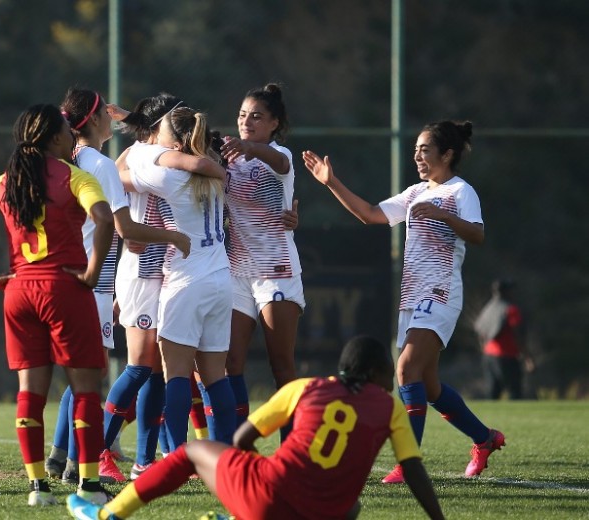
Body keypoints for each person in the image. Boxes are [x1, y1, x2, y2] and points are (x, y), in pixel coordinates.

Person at [302, 120, 506, 484]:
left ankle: (407, 463)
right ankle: (484, 438)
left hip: (440, 293)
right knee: (427, 386)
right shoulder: (414, 193)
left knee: (405, 370)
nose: (417, 156)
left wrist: (445, 215)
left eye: (425, 150)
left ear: (447, 154)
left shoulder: (461, 192)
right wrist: (330, 181)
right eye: (415, 150)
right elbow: (370, 214)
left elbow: (478, 234)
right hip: (412, 296)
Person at [66, 335, 445, 520]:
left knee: (192, 452)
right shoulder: (389, 406)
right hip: (325, 513)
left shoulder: (305, 388)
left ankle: (107, 515)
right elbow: (413, 470)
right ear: (378, 374)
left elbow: (243, 439)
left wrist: (243, 490)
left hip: (267, 499)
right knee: (353, 507)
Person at [0, 104, 114, 507]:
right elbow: (105, 219)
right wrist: (92, 272)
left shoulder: (3, 183)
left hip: (20, 292)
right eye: (67, 133)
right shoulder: (76, 176)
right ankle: (89, 484)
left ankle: (37, 487)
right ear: (56, 138)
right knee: (85, 390)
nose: (72, 137)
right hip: (64, 288)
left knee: (30, 393)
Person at [45, 87, 191, 484]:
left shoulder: (72, 160)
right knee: (100, 372)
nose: (112, 118)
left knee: (83, 372)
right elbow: (125, 229)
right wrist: (173, 238)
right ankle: (87, 458)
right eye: (105, 114)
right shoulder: (101, 164)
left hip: (79, 275)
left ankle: (62, 455)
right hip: (100, 277)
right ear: (93, 121)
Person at [120, 105, 238, 455]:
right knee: (216, 376)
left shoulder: (169, 175)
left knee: (176, 376)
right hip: (221, 279)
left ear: (176, 140)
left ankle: (177, 458)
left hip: (186, 281)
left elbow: (119, 176)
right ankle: (225, 456)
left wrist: (139, 140)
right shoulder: (218, 172)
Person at [218, 83, 304, 438]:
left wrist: (251, 147)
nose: (246, 122)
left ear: (274, 123)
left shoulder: (277, 155)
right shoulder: (227, 158)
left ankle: (294, 449)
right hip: (238, 271)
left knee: (281, 365)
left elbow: (281, 164)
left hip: (276, 271)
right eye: (242, 115)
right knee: (229, 363)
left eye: (256, 116)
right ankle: (240, 447)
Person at [474, 278, 532, 399]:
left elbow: (480, 330)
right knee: (515, 392)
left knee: (492, 393)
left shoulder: (488, 308)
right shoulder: (510, 309)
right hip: (507, 356)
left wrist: (483, 348)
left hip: (488, 356)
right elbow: (518, 335)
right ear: (506, 292)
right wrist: (528, 358)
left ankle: (488, 418)